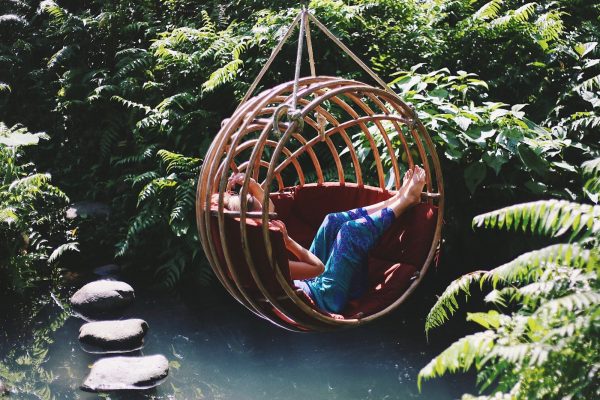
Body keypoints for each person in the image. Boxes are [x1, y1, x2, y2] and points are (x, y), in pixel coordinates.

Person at [215, 166, 426, 314]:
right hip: (326, 298)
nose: (269, 213)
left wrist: (253, 186)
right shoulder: (265, 262)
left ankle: (394, 200)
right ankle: (405, 202)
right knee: (350, 232)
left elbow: (267, 211)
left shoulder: (245, 243)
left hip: (315, 285)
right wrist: (289, 242)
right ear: (255, 221)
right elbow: (318, 268)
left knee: (332, 221)